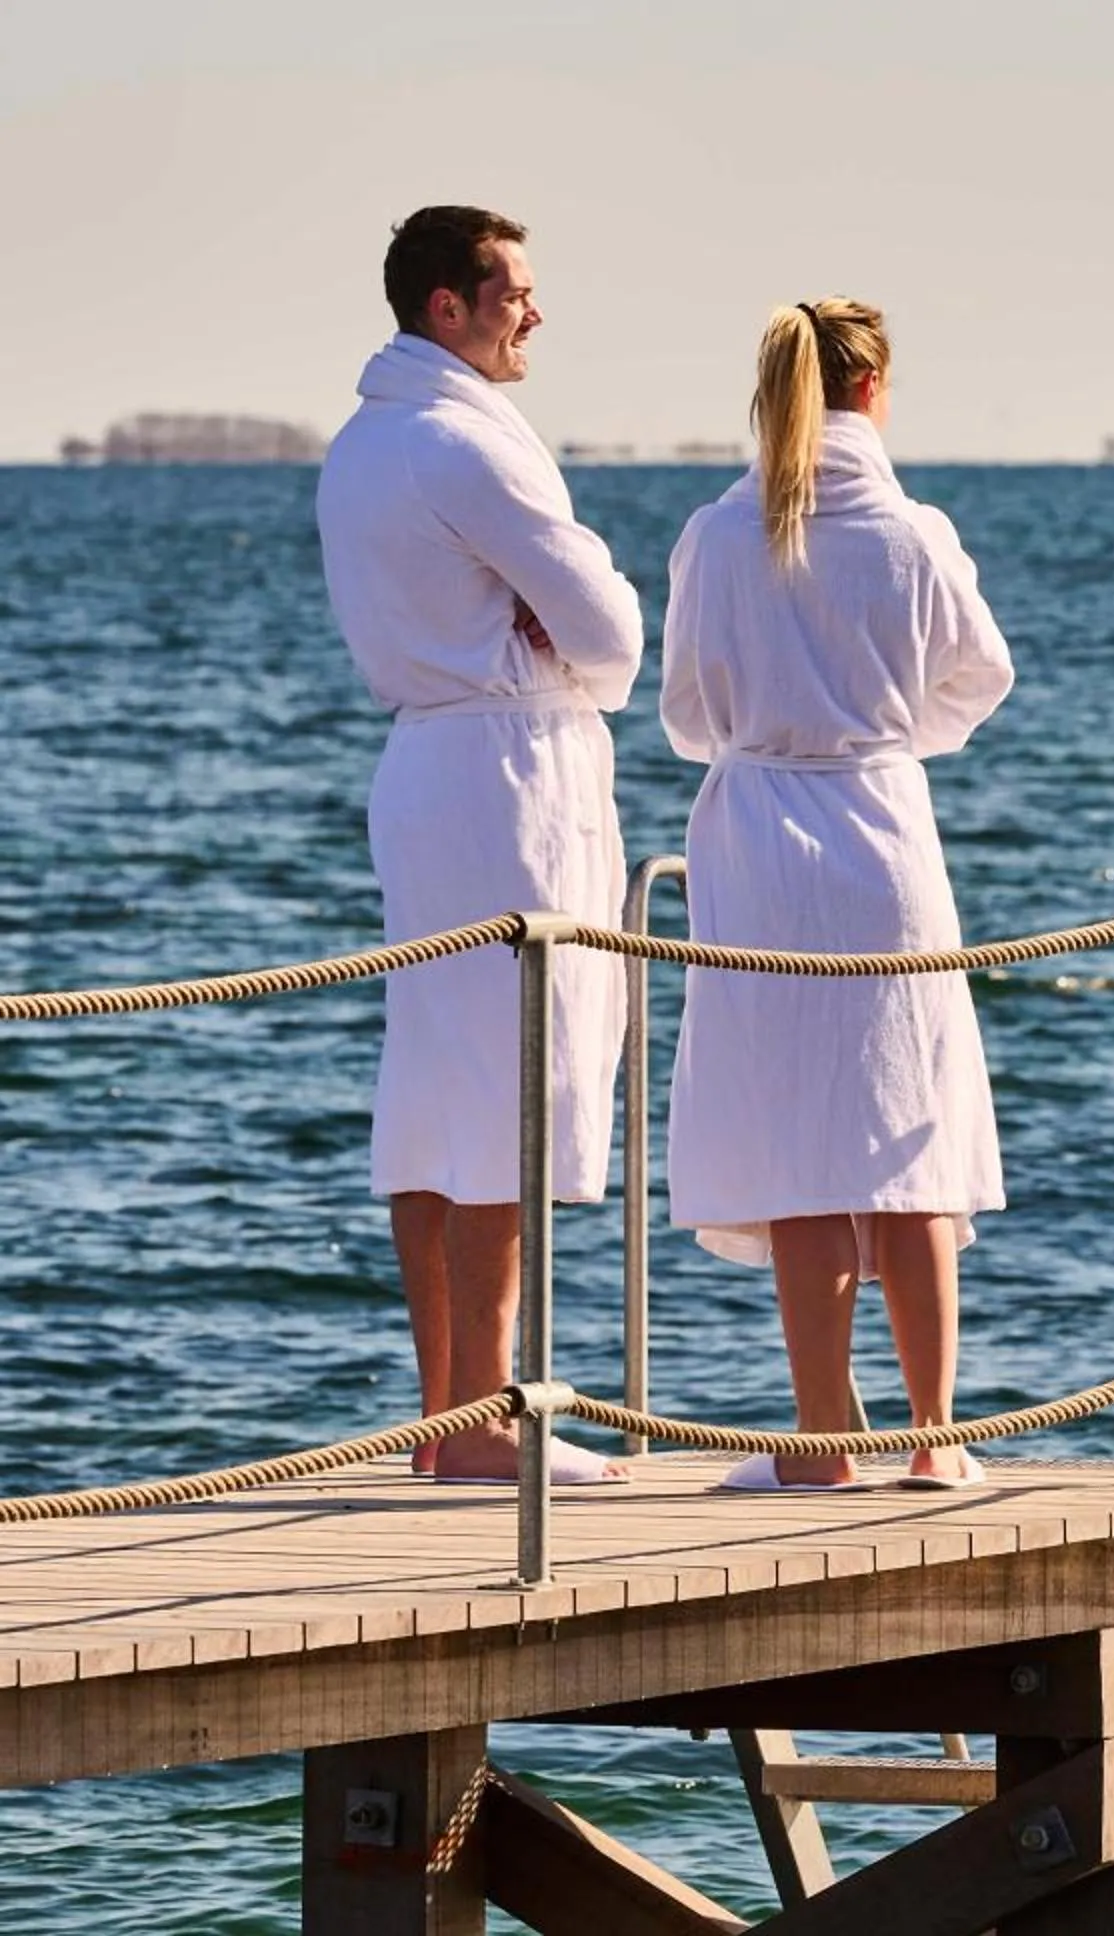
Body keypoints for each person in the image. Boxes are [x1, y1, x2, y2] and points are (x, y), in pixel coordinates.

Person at [661, 297, 1013, 1491]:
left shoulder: (718, 535)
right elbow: (982, 675)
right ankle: (933, 1437)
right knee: (906, 1136)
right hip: (884, 836)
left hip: (760, 844)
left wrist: (773, 733)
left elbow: (686, 712)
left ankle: (820, 1440)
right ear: (874, 389)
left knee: (799, 1144)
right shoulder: (912, 534)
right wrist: (887, 729)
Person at [316, 205, 640, 1485]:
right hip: (512, 770)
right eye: (512, 290)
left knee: (435, 1082)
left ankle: (445, 1418)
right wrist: (553, 628)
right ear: (445, 306)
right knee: (514, 1076)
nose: (534, 312)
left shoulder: (360, 443)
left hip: (424, 769)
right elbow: (609, 623)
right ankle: (490, 1419)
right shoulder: (465, 446)